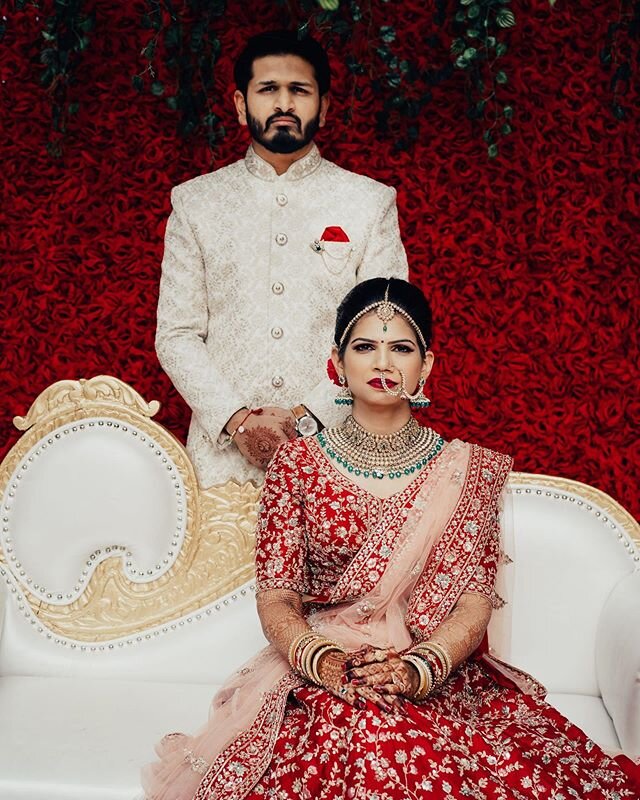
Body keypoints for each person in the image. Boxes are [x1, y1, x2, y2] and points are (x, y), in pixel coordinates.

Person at [143, 278, 640, 799]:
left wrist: (417, 669)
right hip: (327, 669)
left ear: (426, 366)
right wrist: (322, 661)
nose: (383, 363)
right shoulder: (296, 466)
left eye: (401, 348)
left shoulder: (465, 469)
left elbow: (473, 601)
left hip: (434, 672)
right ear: (336, 362)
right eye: (365, 347)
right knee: (360, 737)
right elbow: (276, 596)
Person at [155, 30, 408, 490]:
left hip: (342, 455)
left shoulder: (367, 203)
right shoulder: (197, 203)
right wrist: (237, 422)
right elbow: (176, 335)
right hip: (221, 467)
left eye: (300, 90)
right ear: (239, 104)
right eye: (268, 89)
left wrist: (306, 420)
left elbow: (384, 333)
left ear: (324, 107)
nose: (284, 103)